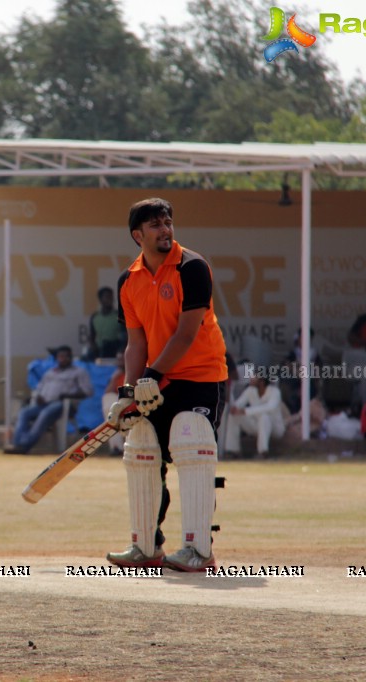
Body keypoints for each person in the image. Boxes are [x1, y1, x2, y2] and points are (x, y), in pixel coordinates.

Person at [105, 197, 228, 573]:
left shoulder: (192, 267)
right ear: (137, 235)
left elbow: (186, 333)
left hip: (201, 376)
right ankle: (146, 545)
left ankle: (199, 550)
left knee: (191, 446)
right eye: (155, 225)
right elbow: (136, 343)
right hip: (156, 380)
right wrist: (130, 392)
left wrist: (152, 377)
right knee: (143, 450)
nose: (165, 230)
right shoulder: (129, 280)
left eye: (168, 222)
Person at [5, 345, 93, 454]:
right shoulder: (50, 372)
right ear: (57, 358)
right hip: (44, 403)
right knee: (24, 412)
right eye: (60, 356)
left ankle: (25, 445)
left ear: (71, 357)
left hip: (63, 405)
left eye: (66, 356)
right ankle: (16, 444)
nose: (63, 359)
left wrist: (67, 395)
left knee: (45, 413)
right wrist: (38, 397)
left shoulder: (78, 372)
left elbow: (88, 392)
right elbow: (39, 388)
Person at [223, 375, 286, 458]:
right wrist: (235, 408)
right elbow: (239, 403)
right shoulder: (250, 390)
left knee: (264, 417)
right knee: (234, 415)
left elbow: (269, 407)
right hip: (256, 425)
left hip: (275, 428)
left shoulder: (275, 392)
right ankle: (233, 451)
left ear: (262, 381)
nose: (251, 379)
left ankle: (263, 452)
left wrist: (245, 411)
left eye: (254, 378)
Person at [85, 286, 125, 360]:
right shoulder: (95, 317)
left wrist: (121, 350)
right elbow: (92, 335)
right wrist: (93, 346)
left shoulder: (119, 315)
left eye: (111, 297)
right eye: (107, 297)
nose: (111, 299)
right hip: (98, 351)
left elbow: (125, 336)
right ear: (100, 299)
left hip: (114, 351)